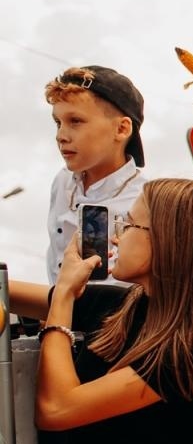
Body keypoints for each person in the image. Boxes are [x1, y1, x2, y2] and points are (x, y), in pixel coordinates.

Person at [3, 179, 193, 444]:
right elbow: (7, 292)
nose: (116, 237)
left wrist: (64, 295)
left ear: (167, 241)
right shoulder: (116, 306)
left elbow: (56, 409)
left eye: (129, 225)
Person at [43, 65, 149, 284]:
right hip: (55, 304)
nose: (61, 135)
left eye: (75, 121)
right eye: (58, 122)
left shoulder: (145, 202)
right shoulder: (62, 181)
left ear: (121, 129)